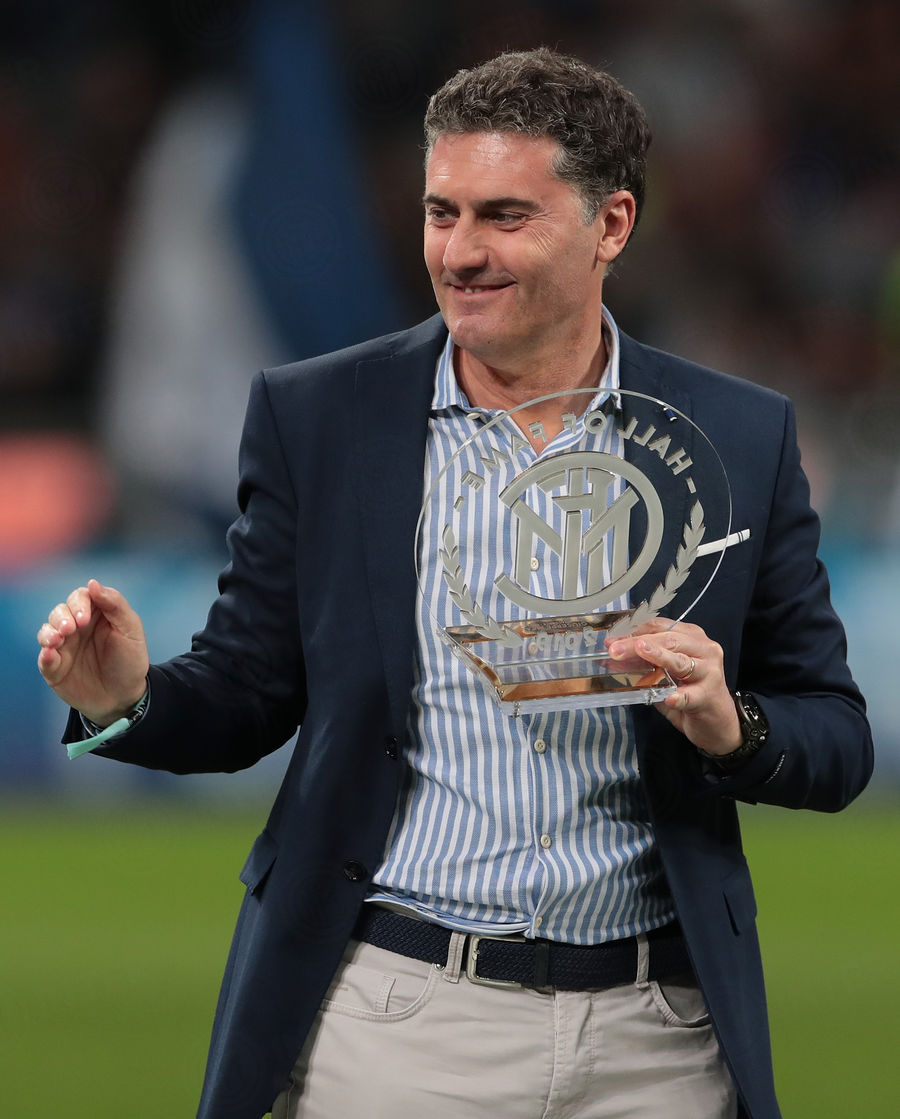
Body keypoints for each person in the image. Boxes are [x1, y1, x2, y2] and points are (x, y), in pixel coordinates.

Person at [36, 48, 872, 1119]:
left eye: (506, 217)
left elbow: (835, 737)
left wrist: (733, 726)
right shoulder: (323, 418)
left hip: (658, 1038)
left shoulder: (739, 435)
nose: (461, 252)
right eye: (443, 212)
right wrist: (127, 700)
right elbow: (249, 690)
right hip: (400, 1023)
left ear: (612, 226)